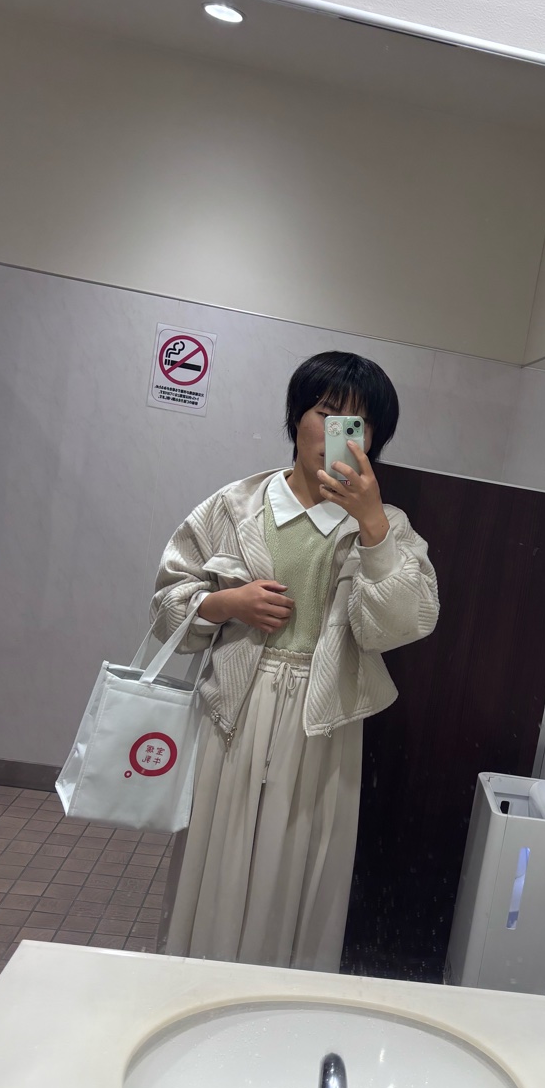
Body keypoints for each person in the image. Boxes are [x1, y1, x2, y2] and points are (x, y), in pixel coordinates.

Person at [150, 351, 439, 970]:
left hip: (324, 716)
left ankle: (278, 996)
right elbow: (168, 602)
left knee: (301, 857)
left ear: (373, 439)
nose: (336, 432)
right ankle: (196, 981)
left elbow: (402, 624)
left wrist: (372, 525)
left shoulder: (385, 525)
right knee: (218, 850)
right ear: (296, 417)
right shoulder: (235, 506)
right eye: (325, 413)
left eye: (356, 423)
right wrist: (225, 603)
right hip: (235, 705)